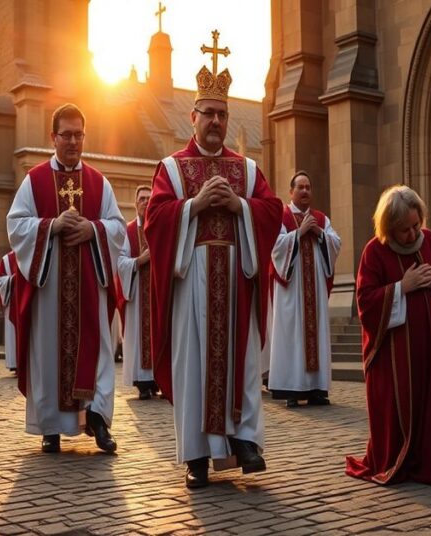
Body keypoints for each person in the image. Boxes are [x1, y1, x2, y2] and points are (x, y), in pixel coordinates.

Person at [145, 37, 283, 488]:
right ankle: (197, 458)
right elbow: (156, 219)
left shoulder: (247, 169)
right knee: (193, 367)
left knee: (240, 366)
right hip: (192, 285)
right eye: (209, 114)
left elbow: (271, 210)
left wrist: (242, 206)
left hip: (236, 285)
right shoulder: (171, 168)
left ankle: (245, 441)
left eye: (222, 115)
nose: (217, 122)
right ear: (194, 117)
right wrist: (195, 204)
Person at [6, 103, 126, 454]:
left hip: (89, 287)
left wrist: (94, 229)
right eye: (66, 135)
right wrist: (50, 226)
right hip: (50, 293)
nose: (73, 141)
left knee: (99, 352)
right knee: (49, 355)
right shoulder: (35, 180)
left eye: (79, 134)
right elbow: (15, 224)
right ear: (53, 137)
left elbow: (118, 228)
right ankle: (50, 427)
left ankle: (99, 421)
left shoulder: (98, 183)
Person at [345, 185, 431, 485]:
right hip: (393, 358)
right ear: (389, 228)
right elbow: (365, 301)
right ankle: (399, 458)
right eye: (404, 230)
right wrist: (402, 287)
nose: (413, 235)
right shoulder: (374, 251)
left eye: (416, 226)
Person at [267, 171, 341, 407]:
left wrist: (318, 232)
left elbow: (336, 242)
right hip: (291, 291)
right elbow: (274, 247)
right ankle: (291, 389)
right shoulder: (282, 216)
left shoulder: (321, 218)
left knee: (315, 334)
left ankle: (317, 390)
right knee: (291, 335)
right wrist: (298, 233)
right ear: (291, 192)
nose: (305, 191)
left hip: (314, 291)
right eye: (300, 187)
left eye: (308, 187)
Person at [117, 185, 158, 399]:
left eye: (149, 198)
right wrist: (139, 261)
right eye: (141, 198)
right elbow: (120, 261)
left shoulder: (161, 228)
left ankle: (159, 380)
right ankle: (143, 383)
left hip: (159, 297)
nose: (145, 202)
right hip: (138, 294)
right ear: (135, 203)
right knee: (139, 337)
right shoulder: (129, 230)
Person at [0, 251, 18, 372]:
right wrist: (12, 280)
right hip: (12, 302)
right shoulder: (7, 259)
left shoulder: (32, 252)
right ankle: (15, 363)